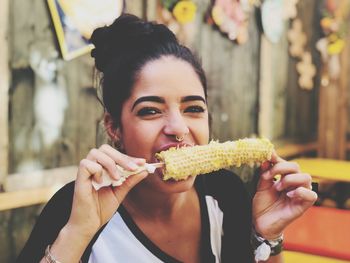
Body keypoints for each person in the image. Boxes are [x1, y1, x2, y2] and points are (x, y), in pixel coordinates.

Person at [17, 13, 317, 263]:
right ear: (114, 127)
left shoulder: (226, 192)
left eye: (193, 108)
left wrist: (268, 237)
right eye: (150, 111)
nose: (178, 127)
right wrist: (77, 234)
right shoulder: (75, 208)